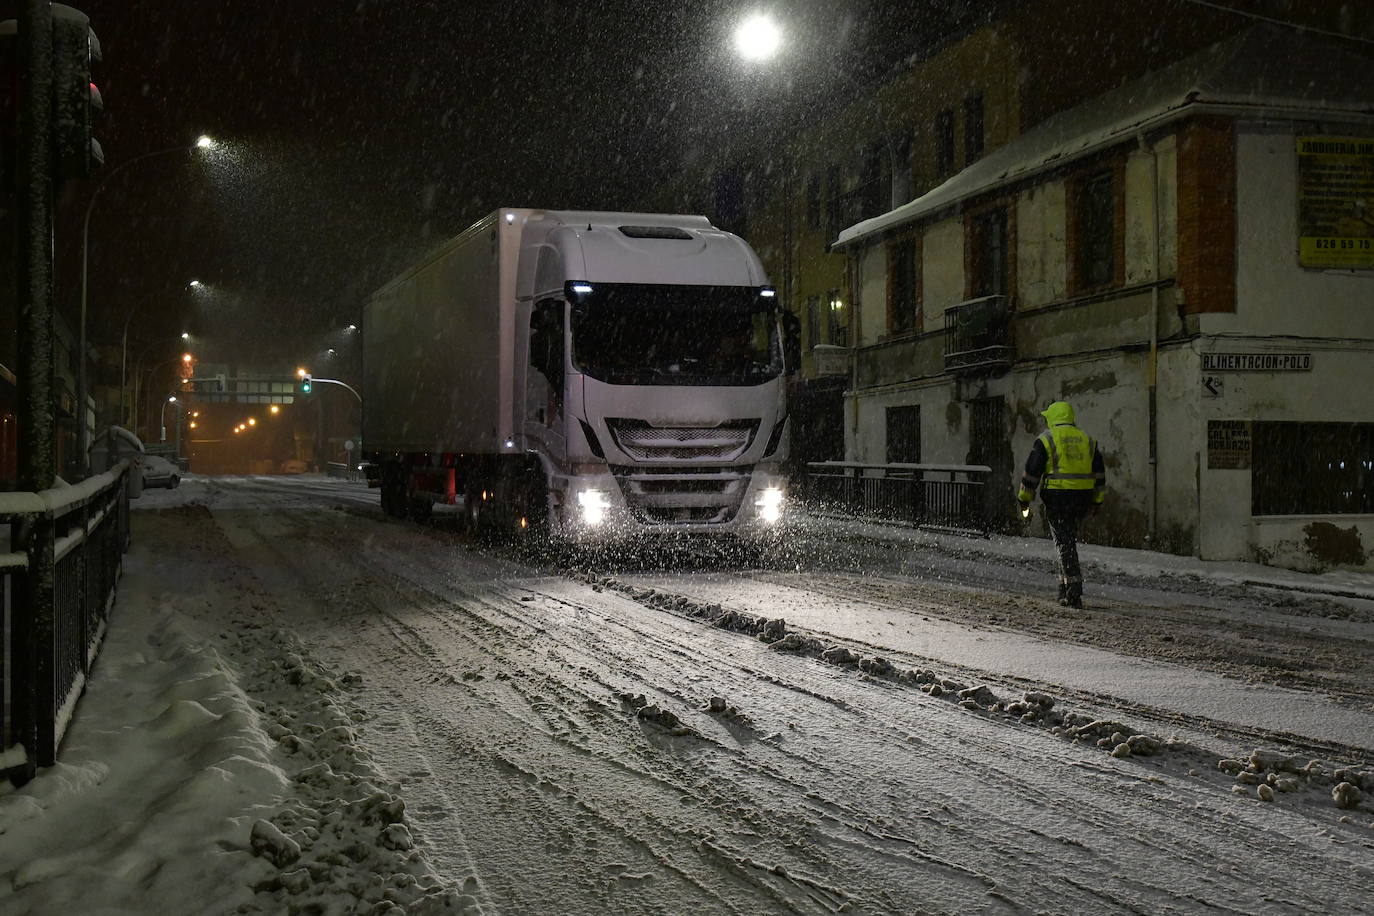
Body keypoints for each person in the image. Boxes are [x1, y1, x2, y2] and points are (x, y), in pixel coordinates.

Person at [1017, 401, 1105, 608]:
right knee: (1067, 540)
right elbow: (1099, 474)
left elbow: (1032, 473)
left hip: (1058, 498)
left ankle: (1073, 589)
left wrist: (1024, 499)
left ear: (1053, 418)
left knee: (1064, 543)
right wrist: (1097, 501)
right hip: (1082, 498)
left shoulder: (1046, 439)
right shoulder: (1087, 440)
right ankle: (1064, 589)